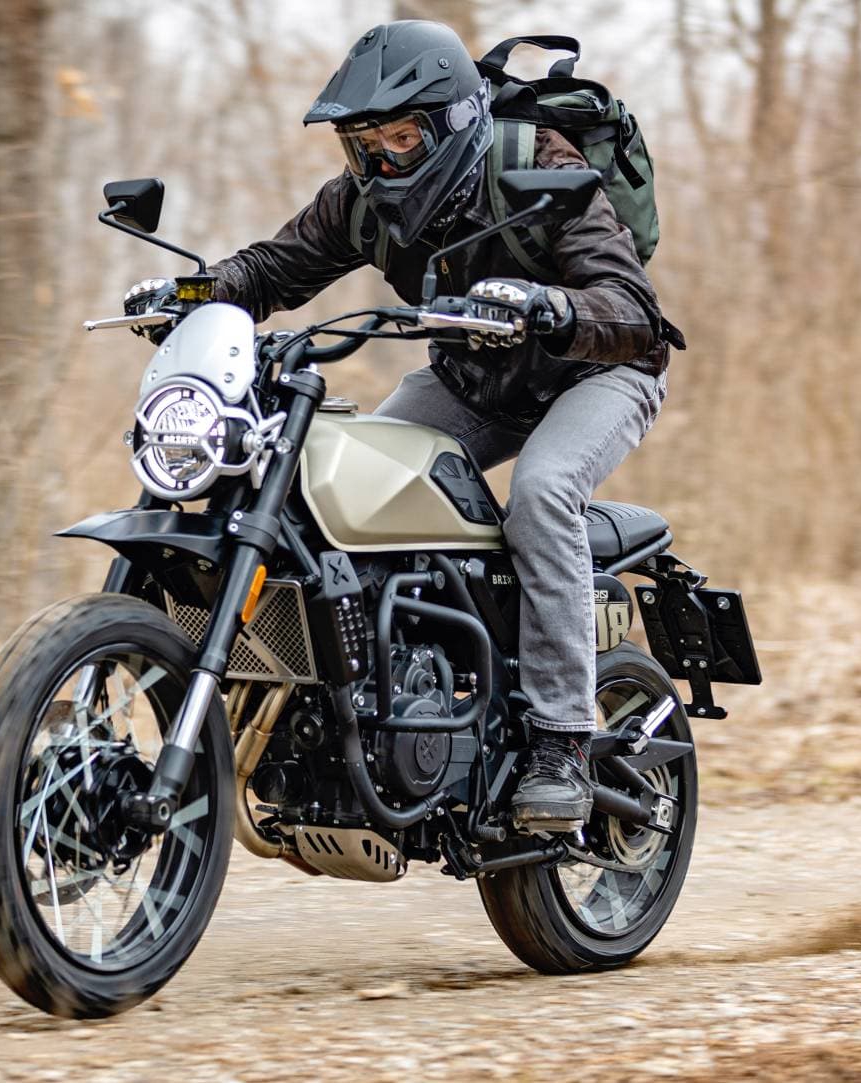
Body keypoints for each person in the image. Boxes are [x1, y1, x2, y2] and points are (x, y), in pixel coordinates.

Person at [124, 20, 674, 833]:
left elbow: (635, 313)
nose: (382, 160)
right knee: (354, 498)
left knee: (544, 491)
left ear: (451, 123)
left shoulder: (540, 166)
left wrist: (552, 306)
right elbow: (276, 267)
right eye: (365, 144)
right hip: (472, 381)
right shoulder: (366, 199)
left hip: (599, 372)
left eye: (401, 137)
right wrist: (194, 296)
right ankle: (396, 705)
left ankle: (560, 739)